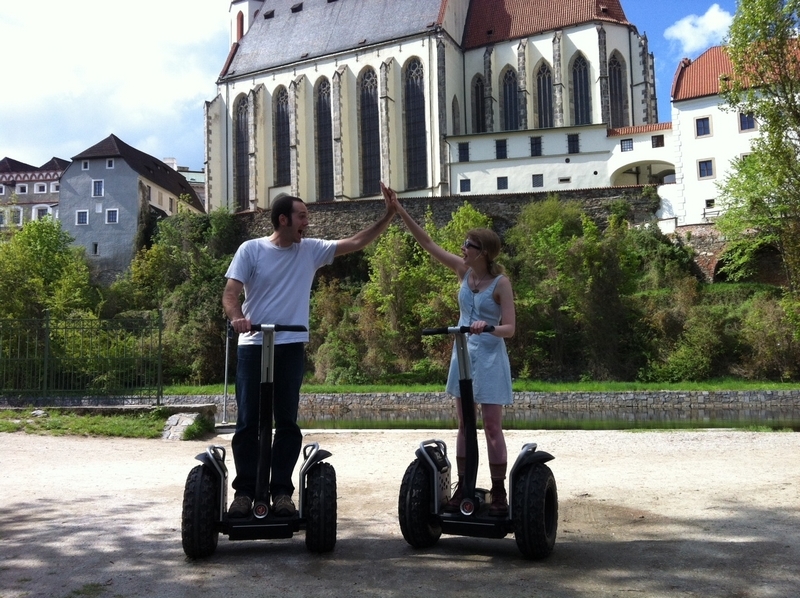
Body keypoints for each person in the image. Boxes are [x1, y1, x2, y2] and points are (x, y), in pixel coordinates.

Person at [222, 193, 395, 518]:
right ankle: (244, 493)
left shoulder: (310, 251)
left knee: (286, 422)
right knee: (248, 422)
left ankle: (282, 493)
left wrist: (388, 216)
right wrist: (236, 318)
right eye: (301, 216)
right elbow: (231, 294)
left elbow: (356, 241)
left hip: (289, 346)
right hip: (253, 345)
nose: (307, 221)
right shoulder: (252, 250)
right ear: (283, 219)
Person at [381, 182, 515, 516]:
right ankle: (463, 489)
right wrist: (398, 209)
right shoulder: (462, 271)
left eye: (468, 245)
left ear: (482, 251)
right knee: (464, 425)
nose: (462, 248)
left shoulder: (500, 283)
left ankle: (499, 493)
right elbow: (427, 243)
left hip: (489, 356)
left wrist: (489, 327)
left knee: (492, 426)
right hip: (463, 355)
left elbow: (511, 329)